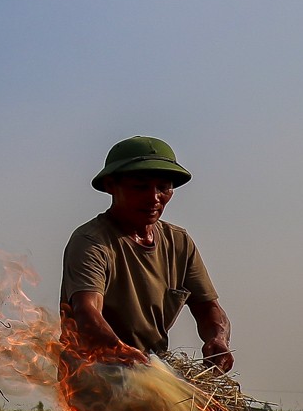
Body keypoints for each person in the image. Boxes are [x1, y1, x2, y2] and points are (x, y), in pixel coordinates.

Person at [60, 136, 233, 373]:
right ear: (111, 186)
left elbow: (209, 309)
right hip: (95, 372)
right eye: (140, 187)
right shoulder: (92, 242)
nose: (154, 198)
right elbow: (87, 312)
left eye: (163, 188)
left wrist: (218, 339)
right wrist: (122, 353)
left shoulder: (179, 242)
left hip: (151, 371)